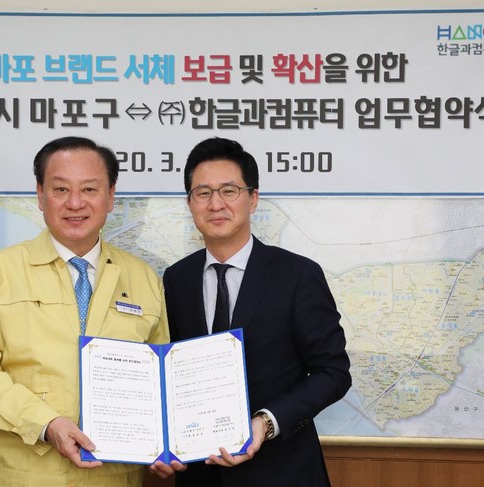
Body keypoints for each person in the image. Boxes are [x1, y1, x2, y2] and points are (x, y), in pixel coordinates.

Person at [0, 136, 169, 487]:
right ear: (40, 195)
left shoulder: (144, 278)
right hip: (24, 478)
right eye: (61, 189)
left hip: (114, 478)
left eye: (89, 189)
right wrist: (45, 424)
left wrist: (166, 442)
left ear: (111, 196)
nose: (75, 203)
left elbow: (161, 378)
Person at [150, 137, 351, 486]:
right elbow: (172, 370)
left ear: (253, 198)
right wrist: (163, 443)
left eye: (229, 191)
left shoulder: (297, 275)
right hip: (200, 475)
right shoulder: (177, 279)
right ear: (189, 203)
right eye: (203, 193)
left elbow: (333, 372)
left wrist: (266, 422)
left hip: (283, 473)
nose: (216, 204)